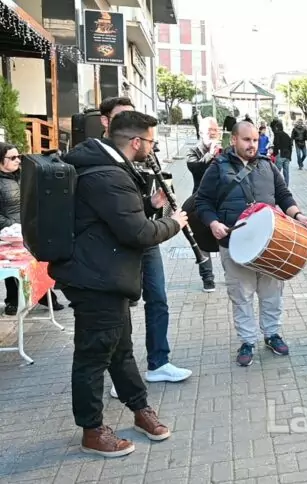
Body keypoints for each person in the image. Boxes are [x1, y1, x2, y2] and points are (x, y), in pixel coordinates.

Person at [49, 110, 186, 457]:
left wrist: (147, 205)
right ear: (136, 142)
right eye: (151, 142)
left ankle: (139, 408)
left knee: (120, 349)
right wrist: (175, 222)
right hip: (97, 278)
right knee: (93, 356)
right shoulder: (108, 175)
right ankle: (92, 430)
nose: (152, 149)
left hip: (104, 275)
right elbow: (138, 233)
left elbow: (113, 217)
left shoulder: (104, 166)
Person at [196, 121, 307, 367]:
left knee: (272, 293)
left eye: (255, 140)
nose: (252, 145)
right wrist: (213, 223)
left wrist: (298, 215)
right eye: (246, 140)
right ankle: (247, 341)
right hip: (234, 243)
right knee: (241, 294)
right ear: (234, 140)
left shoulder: (267, 165)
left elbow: (283, 195)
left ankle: (272, 334)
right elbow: (203, 201)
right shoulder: (217, 166)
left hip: (271, 241)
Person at [97, 97, 193, 396]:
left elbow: (130, 204)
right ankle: (121, 374)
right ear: (106, 121)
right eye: (123, 117)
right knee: (120, 311)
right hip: (119, 244)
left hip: (145, 237)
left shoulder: (136, 154)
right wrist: (172, 224)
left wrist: (151, 204)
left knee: (158, 299)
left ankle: (158, 362)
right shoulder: (101, 155)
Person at [0, 142, 64, 314]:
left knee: (36, 263)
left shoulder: (22, 176)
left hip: (26, 228)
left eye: (19, 157)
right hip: (8, 233)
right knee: (13, 269)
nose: (17, 160)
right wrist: (10, 225)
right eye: (12, 157)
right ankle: (13, 300)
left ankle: (45, 296)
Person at [185, 116, 222, 292]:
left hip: (221, 201)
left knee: (226, 238)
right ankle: (208, 278)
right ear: (201, 132)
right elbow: (196, 168)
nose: (213, 133)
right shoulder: (193, 151)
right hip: (199, 202)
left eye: (216, 130)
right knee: (200, 240)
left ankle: (231, 273)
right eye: (210, 130)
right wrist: (211, 154)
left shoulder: (224, 151)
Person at [271, 119, 292, 187]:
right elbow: (290, 146)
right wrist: (290, 157)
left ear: (277, 127)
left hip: (280, 155)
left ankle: (277, 186)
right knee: (286, 172)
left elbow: (276, 145)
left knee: (277, 172)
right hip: (287, 155)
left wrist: (274, 154)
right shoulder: (287, 135)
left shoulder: (277, 134)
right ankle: (286, 186)